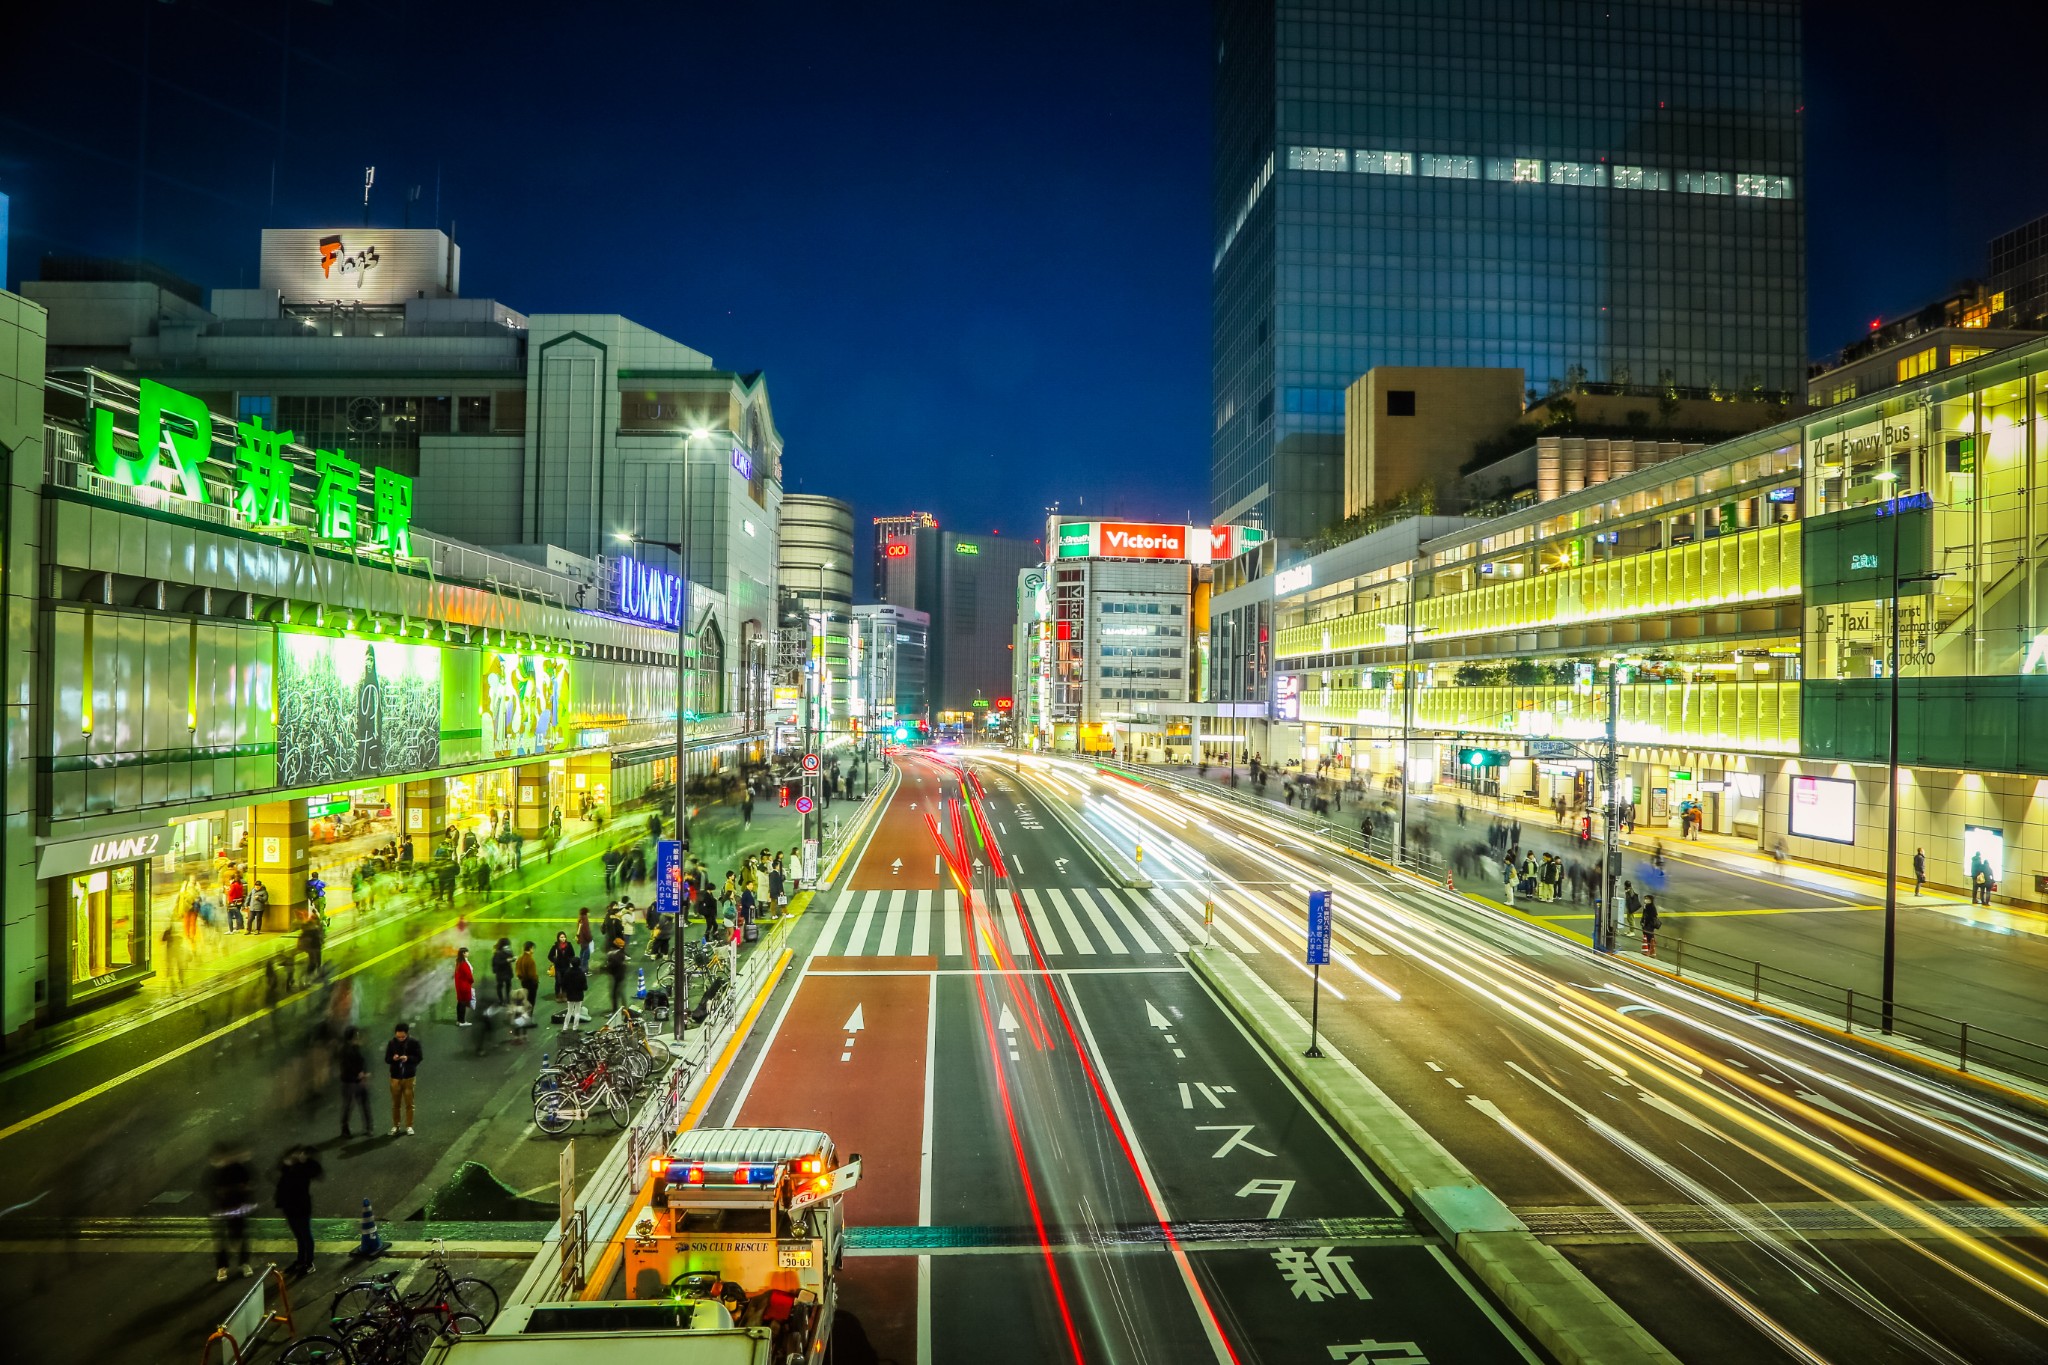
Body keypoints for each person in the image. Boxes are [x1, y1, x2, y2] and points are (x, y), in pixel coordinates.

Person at [205, 1142, 256, 1283]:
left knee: (239, 1237)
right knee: (221, 1241)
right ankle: (222, 1267)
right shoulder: (214, 1171)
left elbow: (248, 1184)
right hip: (220, 1209)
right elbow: (208, 1188)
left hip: (237, 1208)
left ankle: (244, 1263)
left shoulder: (238, 1168)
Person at [274, 1144, 324, 1276]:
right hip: (289, 1207)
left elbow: (317, 1171)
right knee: (299, 1236)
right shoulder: (288, 1167)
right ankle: (300, 1260)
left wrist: (304, 1161)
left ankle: (309, 1262)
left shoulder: (305, 1167)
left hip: (301, 1207)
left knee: (305, 1235)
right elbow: (278, 1171)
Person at [385, 1021, 423, 1136]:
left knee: (409, 1103)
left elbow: (419, 1057)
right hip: (395, 1077)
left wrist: (408, 1058)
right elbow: (387, 1059)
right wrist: (393, 1058)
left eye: (402, 1036)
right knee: (396, 1104)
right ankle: (396, 1126)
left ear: (407, 1034)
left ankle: (409, 1126)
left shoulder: (413, 1043)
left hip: (409, 1077)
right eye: (398, 1036)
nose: (400, 1038)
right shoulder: (392, 1043)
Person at [338, 1026, 372, 1138]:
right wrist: (359, 1074)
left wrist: (364, 1073)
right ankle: (345, 1128)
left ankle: (368, 1127)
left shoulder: (356, 1047)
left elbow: (362, 1061)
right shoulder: (344, 1050)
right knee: (349, 1105)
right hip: (350, 1082)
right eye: (356, 1034)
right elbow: (347, 1066)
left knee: (363, 1104)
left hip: (357, 1081)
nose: (358, 1036)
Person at [562, 955, 590, 1029]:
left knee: (569, 1011)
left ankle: (565, 1026)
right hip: (579, 995)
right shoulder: (581, 973)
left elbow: (564, 984)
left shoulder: (567, 972)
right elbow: (584, 986)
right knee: (577, 1012)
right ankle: (575, 1027)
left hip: (570, 994)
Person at [547, 932, 576, 1001]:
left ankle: (564, 994)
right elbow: (549, 956)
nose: (563, 939)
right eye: (561, 937)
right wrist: (555, 960)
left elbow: (572, 954)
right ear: (558, 938)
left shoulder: (569, 945)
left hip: (566, 966)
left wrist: (569, 960)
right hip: (558, 967)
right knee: (558, 981)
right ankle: (558, 995)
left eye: (564, 937)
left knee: (565, 981)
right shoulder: (555, 946)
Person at [605, 935, 628, 1012]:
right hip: (620, 976)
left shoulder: (615, 956)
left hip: (617, 977)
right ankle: (624, 1008)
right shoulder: (621, 954)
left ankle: (615, 1010)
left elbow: (611, 965)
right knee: (620, 993)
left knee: (615, 994)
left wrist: (603, 968)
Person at [453, 947, 475, 1026]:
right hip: (464, 985)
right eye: (467, 952)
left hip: (459, 985)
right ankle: (462, 1021)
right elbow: (468, 975)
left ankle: (459, 1020)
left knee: (460, 1003)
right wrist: (472, 981)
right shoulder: (464, 964)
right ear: (463, 953)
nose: (468, 953)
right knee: (463, 1003)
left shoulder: (458, 962)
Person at [516, 940, 542, 1004]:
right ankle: (529, 1013)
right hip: (531, 984)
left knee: (526, 1000)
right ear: (530, 948)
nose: (533, 950)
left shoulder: (520, 959)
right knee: (531, 1001)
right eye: (533, 948)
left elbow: (518, 972)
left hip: (523, 982)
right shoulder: (530, 960)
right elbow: (532, 974)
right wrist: (536, 980)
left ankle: (525, 1013)